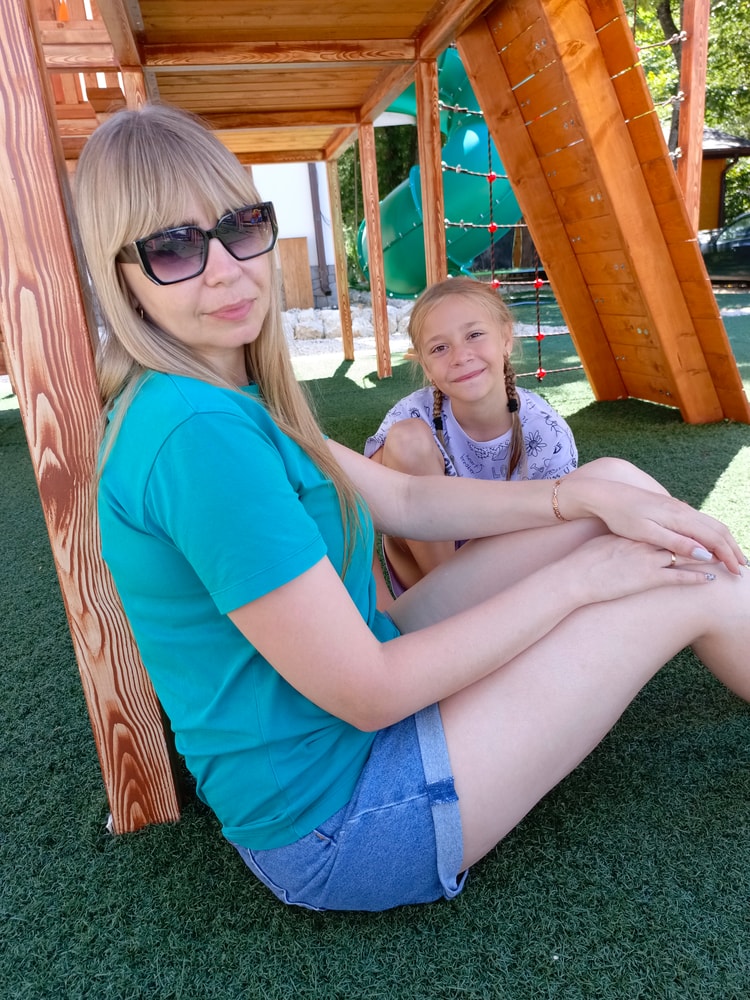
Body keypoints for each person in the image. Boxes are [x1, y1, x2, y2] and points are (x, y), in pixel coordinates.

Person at [74, 103, 749, 914]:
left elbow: (403, 496)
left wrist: (575, 493)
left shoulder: (224, 396)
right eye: (174, 248)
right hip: (342, 819)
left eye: (240, 227)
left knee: (617, 481)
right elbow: (370, 692)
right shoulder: (196, 432)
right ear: (122, 274)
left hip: (366, 689)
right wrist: (583, 581)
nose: (225, 269)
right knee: (690, 584)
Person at [365, 276, 578, 596]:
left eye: (474, 335)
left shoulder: (546, 430)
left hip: (508, 573)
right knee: (407, 440)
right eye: (439, 348)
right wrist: (379, 609)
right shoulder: (412, 415)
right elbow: (356, 510)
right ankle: (450, 601)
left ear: (506, 338)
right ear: (426, 366)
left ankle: (488, 608)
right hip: (427, 580)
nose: (460, 356)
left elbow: (563, 530)